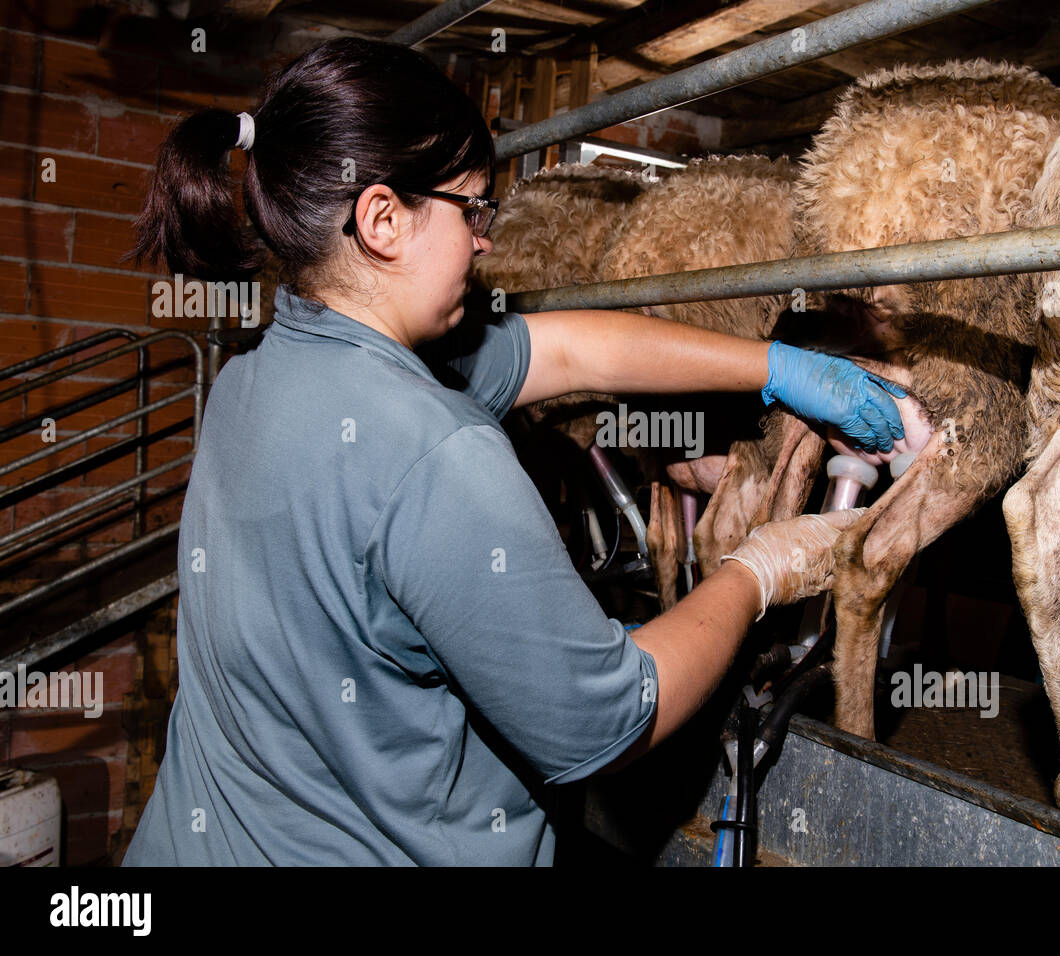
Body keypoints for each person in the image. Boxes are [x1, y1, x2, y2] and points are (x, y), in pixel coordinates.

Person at [121, 37, 906, 866]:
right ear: (384, 219)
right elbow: (610, 723)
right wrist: (756, 573)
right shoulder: (439, 450)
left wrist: (780, 370)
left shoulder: (253, 380)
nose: (485, 240)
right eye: (471, 209)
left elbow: (569, 353)